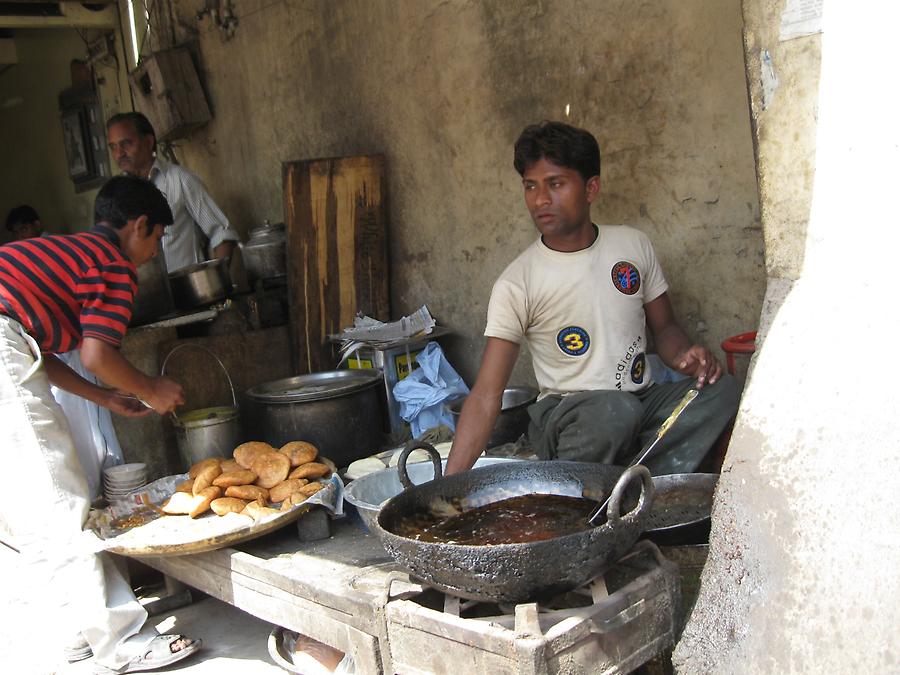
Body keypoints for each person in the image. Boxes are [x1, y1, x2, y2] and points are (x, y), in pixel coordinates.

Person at [446, 121, 741, 476]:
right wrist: (449, 485)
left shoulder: (632, 246)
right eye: (530, 186)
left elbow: (665, 330)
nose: (541, 199)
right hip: (566, 414)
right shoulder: (518, 282)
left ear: (591, 188)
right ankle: (576, 486)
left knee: (724, 392)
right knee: (613, 413)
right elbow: (486, 395)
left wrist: (684, 357)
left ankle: (627, 488)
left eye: (555, 184)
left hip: (640, 402)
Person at [0, 175, 202, 672]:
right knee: (60, 499)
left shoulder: (73, 254)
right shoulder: (111, 262)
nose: (155, 252)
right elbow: (96, 353)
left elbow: (42, 357)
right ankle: (125, 640)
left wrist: (106, 399)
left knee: (34, 504)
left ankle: (77, 627)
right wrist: (150, 388)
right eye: (156, 238)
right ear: (138, 226)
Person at [106, 111, 239, 272]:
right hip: (143, 293)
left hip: (189, 290)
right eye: (113, 147)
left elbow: (221, 232)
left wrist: (218, 281)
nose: (119, 154)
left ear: (148, 141)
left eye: (126, 144)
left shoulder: (181, 179)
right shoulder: (115, 194)